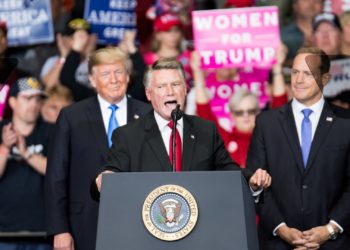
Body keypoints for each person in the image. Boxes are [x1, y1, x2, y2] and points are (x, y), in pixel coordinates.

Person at [94, 57, 271, 198]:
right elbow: (111, 175)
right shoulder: (128, 135)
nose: (170, 91)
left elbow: (228, 171)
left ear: (185, 89)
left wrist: (251, 181)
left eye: (176, 84)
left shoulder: (205, 130)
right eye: (162, 86)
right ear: (149, 94)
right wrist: (103, 180)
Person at [45, 47, 152, 250]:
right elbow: (56, 175)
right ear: (93, 80)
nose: (114, 79)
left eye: (119, 72)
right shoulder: (71, 117)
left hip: (140, 221)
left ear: (128, 76)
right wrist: (59, 229)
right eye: (105, 74)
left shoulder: (148, 115)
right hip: (83, 224)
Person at [247, 47, 350, 249]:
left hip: (334, 244)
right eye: (295, 72)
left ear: (325, 78)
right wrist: (282, 229)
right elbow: (255, 184)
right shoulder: (266, 123)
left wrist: (330, 229)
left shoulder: (345, 124)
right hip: (278, 243)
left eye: (308, 73)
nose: (299, 80)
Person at [0, 77, 52, 249]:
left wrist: (26, 153)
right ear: (13, 102)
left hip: (42, 230)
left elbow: (56, 171)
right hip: (4, 231)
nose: (34, 104)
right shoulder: (1, 131)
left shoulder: (51, 130)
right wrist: (5, 148)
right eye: (27, 98)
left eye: (37, 99)